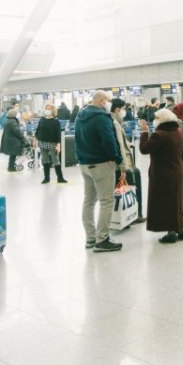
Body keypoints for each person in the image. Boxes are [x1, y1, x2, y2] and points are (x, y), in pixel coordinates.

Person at [76, 90, 124, 252]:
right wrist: (116, 158)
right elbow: (109, 139)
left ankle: (90, 238)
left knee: (89, 201)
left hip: (85, 164)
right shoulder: (102, 118)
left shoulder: (80, 115)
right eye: (108, 101)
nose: (109, 103)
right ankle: (102, 239)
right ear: (102, 101)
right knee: (106, 201)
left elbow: (77, 139)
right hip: (101, 164)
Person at [140, 108, 183, 244]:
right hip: (178, 170)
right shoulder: (178, 132)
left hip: (163, 174)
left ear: (162, 119)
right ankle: (181, 228)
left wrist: (144, 131)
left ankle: (171, 232)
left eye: (156, 118)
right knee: (178, 200)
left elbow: (144, 149)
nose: (155, 120)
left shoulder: (159, 134)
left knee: (166, 202)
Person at [36, 105, 68, 184]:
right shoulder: (42, 120)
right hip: (42, 142)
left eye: (49, 109)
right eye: (46, 108)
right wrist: (35, 140)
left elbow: (58, 134)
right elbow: (38, 130)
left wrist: (58, 145)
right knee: (45, 160)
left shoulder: (56, 121)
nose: (47, 110)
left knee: (55, 160)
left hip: (52, 143)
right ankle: (46, 178)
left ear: (53, 111)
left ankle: (60, 178)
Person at [0, 107, 27, 172]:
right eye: (16, 113)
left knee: (12, 155)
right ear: (13, 115)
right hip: (13, 141)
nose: (17, 115)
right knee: (13, 155)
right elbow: (17, 131)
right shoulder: (12, 122)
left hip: (10, 140)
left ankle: (11, 167)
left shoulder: (8, 120)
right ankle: (11, 167)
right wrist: (23, 138)